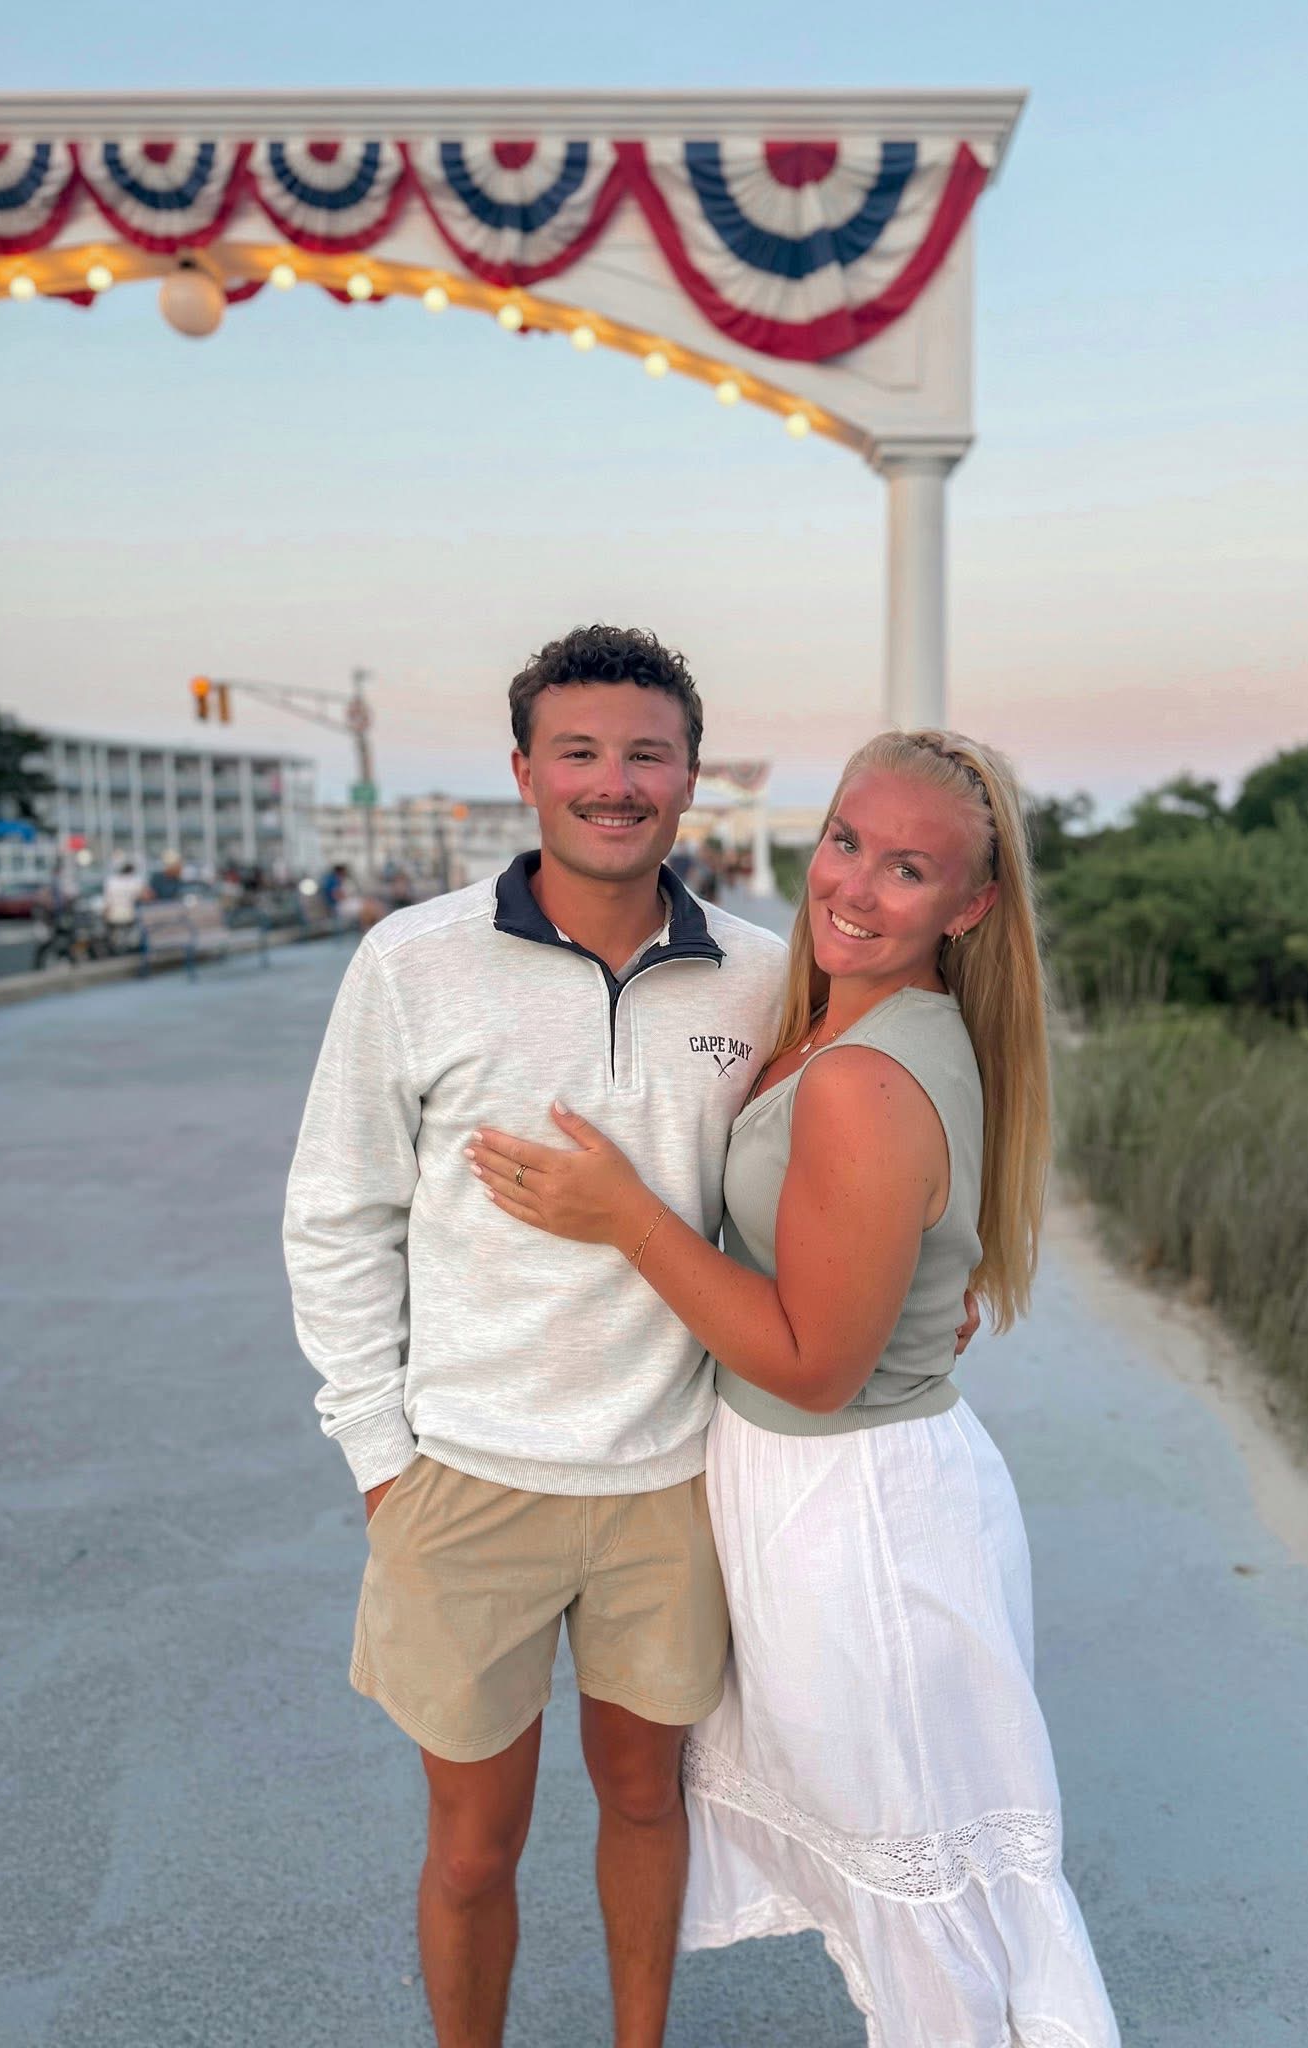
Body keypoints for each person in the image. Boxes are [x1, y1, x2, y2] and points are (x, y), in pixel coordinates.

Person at [469, 729, 1121, 2047]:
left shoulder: (863, 1077)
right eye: (844, 841)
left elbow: (818, 1368)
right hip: (823, 1500)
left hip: (858, 1518)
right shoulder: (838, 1019)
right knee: (913, 1890)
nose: (854, 886)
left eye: (908, 870)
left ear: (970, 906)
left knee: (922, 1907)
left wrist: (623, 1215)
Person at [283, 626, 796, 2048]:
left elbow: (810, 1183)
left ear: (689, 775)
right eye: (579, 751)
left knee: (647, 1799)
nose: (612, 781)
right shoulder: (413, 961)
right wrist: (381, 1458)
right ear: (525, 771)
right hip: (466, 1478)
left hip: (670, 1479)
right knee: (471, 1850)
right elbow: (337, 1213)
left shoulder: (762, 977)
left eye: (645, 754)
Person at [101, 859, 145, 933]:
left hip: (113, 916)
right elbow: (144, 896)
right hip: (130, 916)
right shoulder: (135, 881)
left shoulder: (112, 881)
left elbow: (107, 902)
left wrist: (105, 915)